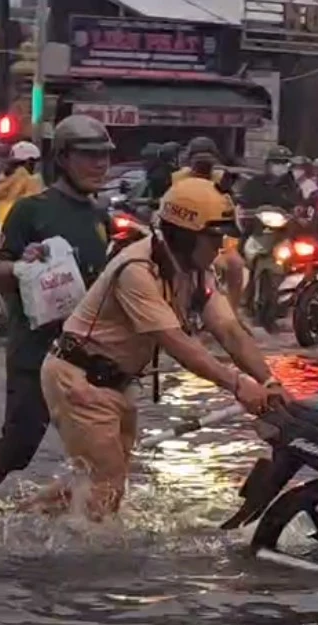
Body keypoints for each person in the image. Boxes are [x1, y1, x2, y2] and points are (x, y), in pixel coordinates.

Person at [37, 177, 289, 519]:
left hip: (116, 382)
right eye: (212, 237)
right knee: (105, 485)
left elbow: (229, 330)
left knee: (100, 481)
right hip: (79, 379)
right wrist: (237, 384)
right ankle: (88, 564)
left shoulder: (197, 272)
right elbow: (176, 343)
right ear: (185, 236)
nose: (219, 246)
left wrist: (268, 380)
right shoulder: (137, 270)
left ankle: (10, 518)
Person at [0, 115, 115, 496]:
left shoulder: (100, 215)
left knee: (101, 453)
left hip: (83, 355)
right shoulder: (31, 210)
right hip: (34, 352)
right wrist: (23, 265)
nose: (100, 164)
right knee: (18, 449)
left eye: (105, 156)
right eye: (89, 155)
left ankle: (80, 522)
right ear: (63, 158)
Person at [171, 136, 247, 312]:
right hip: (183, 238)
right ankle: (177, 315)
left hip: (214, 238)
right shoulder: (177, 178)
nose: (203, 166)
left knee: (236, 265)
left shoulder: (222, 179)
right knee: (177, 273)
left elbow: (231, 201)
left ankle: (232, 311)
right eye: (198, 161)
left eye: (207, 161)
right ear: (190, 160)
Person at [0, 140, 43, 242]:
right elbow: (36, 205)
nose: (36, 166)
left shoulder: (3, 178)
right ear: (29, 161)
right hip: (20, 231)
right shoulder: (31, 179)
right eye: (35, 162)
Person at [238, 146, 301, 213]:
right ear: (268, 164)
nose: (280, 165)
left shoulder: (292, 185)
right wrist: (260, 210)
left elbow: (297, 208)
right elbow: (241, 207)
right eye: (276, 162)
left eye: (284, 163)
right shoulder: (255, 183)